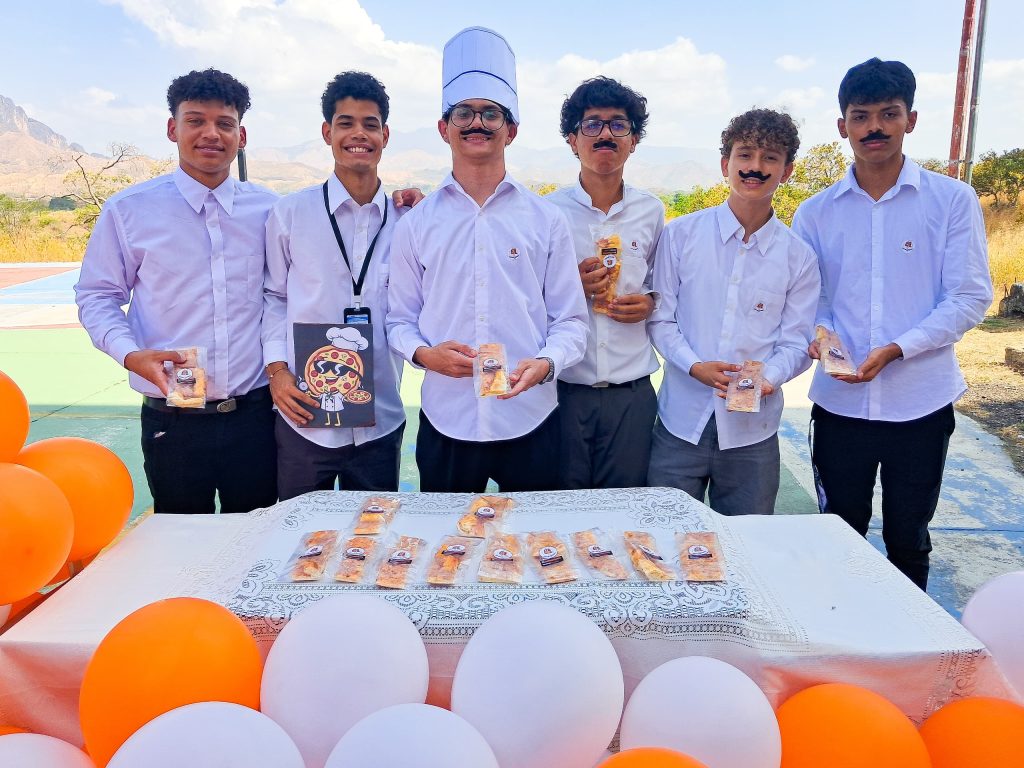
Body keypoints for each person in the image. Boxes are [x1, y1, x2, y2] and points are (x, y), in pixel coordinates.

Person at [792, 58, 992, 590]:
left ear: (911, 120)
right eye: (860, 116)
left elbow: (969, 296)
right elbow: (811, 299)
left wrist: (898, 348)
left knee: (909, 538)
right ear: (843, 126)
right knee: (839, 536)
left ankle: (909, 638)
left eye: (889, 113)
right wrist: (822, 335)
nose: (874, 127)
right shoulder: (815, 213)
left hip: (920, 404)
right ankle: (843, 631)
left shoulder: (951, 201)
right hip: (840, 406)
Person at [386, 26, 588, 493]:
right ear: (444, 128)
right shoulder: (416, 224)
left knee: (537, 537)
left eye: (491, 113)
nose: (476, 123)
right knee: (446, 538)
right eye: (463, 112)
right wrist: (425, 355)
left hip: (531, 417)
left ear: (510, 130)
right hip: (447, 419)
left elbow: (571, 321)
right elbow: (399, 320)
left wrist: (547, 363)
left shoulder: (545, 219)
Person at [75, 68, 278, 513]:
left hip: (256, 419)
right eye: (195, 121)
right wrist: (130, 354)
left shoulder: (271, 210)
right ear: (173, 128)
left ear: (241, 136)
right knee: (180, 540)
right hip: (173, 421)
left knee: (255, 536)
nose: (211, 133)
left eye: (224, 123)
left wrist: (401, 205)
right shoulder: (129, 211)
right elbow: (97, 295)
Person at [648, 108, 819, 516]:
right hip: (680, 422)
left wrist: (769, 378)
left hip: (752, 434)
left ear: (787, 171)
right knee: (667, 534)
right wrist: (695, 367)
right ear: (725, 164)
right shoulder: (681, 235)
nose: (755, 167)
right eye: (745, 155)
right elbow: (661, 319)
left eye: (770, 157)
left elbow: (796, 341)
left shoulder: (798, 257)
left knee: (748, 541)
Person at [263, 71, 415, 499]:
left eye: (370, 124)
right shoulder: (291, 213)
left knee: (373, 532)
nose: (358, 134)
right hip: (305, 414)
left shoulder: (409, 219)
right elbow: (274, 297)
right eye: (346, 123)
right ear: (327, 132)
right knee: (298, 529)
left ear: (385, 135)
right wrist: (277, 372)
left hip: (380, 416)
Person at [546, 76, 663, 489]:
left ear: (634, 140)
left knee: (625, 508)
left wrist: (650, 302)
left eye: (618, 124)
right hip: (563, 390)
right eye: (592, 124)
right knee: (561, 508)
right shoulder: (548, 214)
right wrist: (568, 286)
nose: (605, 134)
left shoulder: (651, 211)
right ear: (572, 140)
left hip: (631, 394)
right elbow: (526, 298)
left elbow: (663, 284)